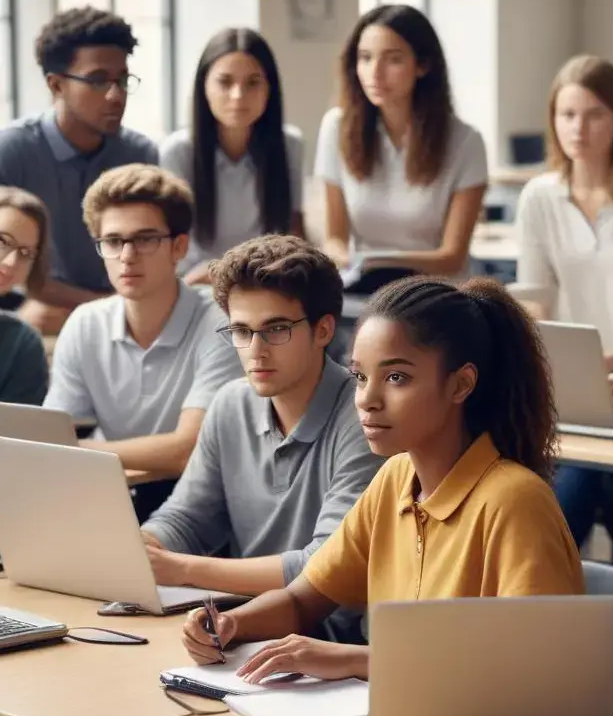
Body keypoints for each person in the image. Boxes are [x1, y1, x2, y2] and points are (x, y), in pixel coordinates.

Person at [180, 276, 583, 682]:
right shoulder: (396, 477)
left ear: (462, 384)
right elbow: (303, 600)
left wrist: (355, 660)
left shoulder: (515, 501)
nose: (367, 400)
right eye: (359, 377)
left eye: (396, 378)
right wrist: (231, 623)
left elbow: (533, 668)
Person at [141, 236, 382, 622]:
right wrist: (141, 547)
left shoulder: (367, 416)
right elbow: (188, 518)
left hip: (334, 646)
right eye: (241, 331)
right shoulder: (229, 404)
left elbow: (323, 564)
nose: (256, 350)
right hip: (241, 625)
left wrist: (182, 569)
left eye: (276, 329)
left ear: (323, 331)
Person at [513, 54, 613, 566]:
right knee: (560, 498)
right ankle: (551, 610)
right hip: (562, 386)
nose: (578, 128)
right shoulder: (538, 197)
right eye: (567, 114)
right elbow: (534, 299)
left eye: (594, 113)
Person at [43, 165, 243, 520]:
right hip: (110, 490)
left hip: (204, 503)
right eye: (113, 241)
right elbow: (51, 440)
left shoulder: (222, 324)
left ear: (178, 247)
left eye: (146, 239)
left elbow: (188, 450)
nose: (127, 256)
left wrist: (76, 450)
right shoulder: (84, 323)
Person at [0, 7, 158, 335]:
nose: (116, 95)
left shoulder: (140, 155)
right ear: (56, 85)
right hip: (37, 313)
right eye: (98, 80)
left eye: (123, 80)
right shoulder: (11, 152)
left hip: (122, 312)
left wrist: (108, 309)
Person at [313, 5, 488, 282]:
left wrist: (374, 263)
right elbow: (334, 240)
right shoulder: (336, 128)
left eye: (393, 60)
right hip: (364, 293)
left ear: (423, 65)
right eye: (365, 58)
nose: (375, 73)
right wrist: (355, 266)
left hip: (436, 295)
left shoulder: (466, 141)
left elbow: (452, 257)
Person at [160, 28, 305, 286]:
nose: (238, 96)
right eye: (225, 82)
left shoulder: (289, 144)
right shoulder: (178, 151)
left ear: (269, 88)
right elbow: (172, 244)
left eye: (252, 83)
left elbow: (293, 233)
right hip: (197, 283)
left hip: (266, 281)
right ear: (203, 85)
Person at [0, 187, 50, 405]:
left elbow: (16, 435)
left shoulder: (22, 343)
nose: (12, 262)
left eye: (25, 253)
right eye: (2, 241)